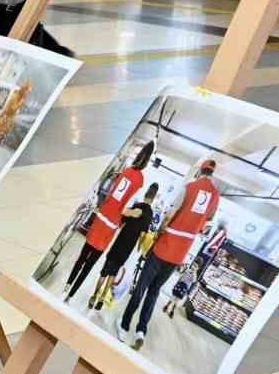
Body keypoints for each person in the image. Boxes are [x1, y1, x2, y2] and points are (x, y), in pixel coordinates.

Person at [119, 159, 221, 350]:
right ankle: (141, 330)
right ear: (212, 175)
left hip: (165, 245)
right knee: (155, 291)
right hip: (180, 253)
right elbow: (206, 229)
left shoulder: (189, 188)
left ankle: (124, 324)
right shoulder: (216, 197)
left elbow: (169, 215)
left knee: (141, 287)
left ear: (200, 171)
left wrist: (159, 233)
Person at [65, 141, 153, 303]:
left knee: (82, 256)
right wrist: (134, 213)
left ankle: (67, 284)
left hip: (101, 219)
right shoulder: (139, 180)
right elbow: (125, 209)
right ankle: (71, 294)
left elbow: (111, 194)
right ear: (148, 161)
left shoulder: (125, 171)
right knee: (89, 264)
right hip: (110, 227)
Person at [88, 183, 159, 311]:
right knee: (113, 273)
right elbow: (143, 235)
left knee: (104, 270)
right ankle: (103, 298)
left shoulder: (136, 206)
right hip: (128, 246)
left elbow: (122, 222)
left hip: (119, 241)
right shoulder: (149, 213)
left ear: (146, 193)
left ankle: (94, 296)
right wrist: (138, 247)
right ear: (154, 198)